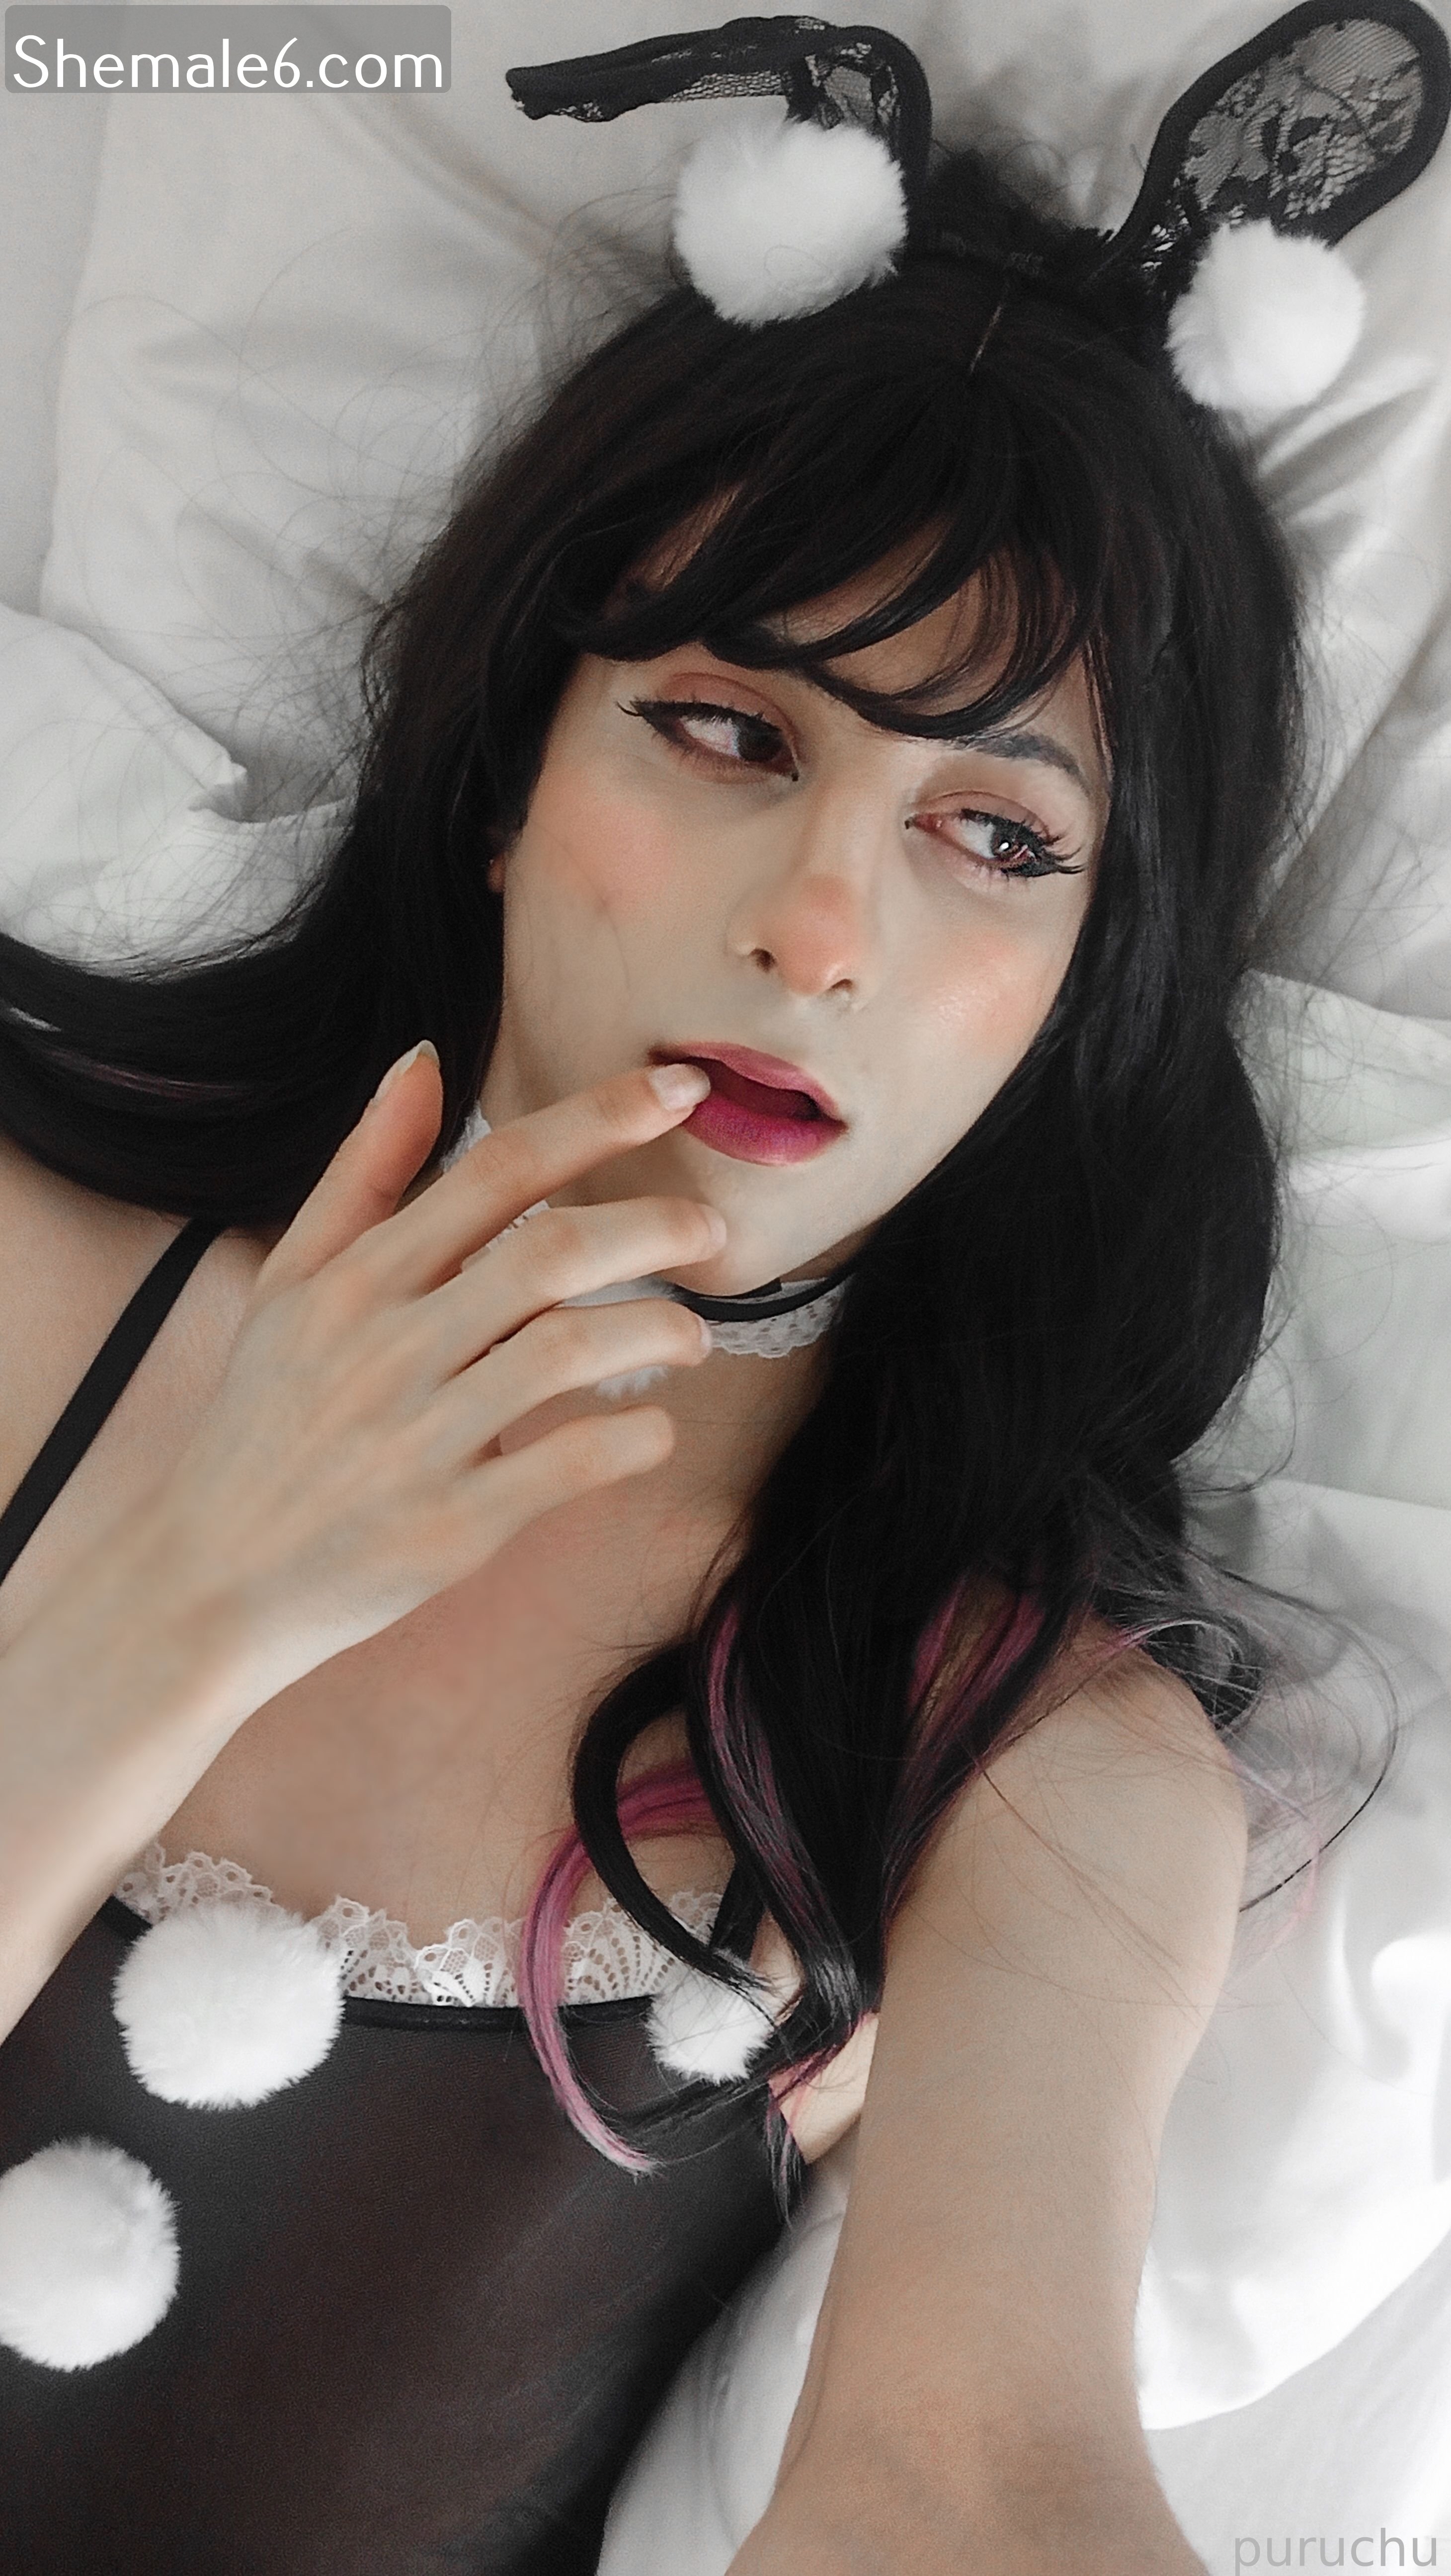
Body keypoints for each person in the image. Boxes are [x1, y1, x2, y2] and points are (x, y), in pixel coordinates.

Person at [0, 9, 1444, 2571]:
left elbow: (975, 2472)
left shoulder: (1011, 1760)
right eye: (728, 732)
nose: (820, 928)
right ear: (504, 780)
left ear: (1083, 992)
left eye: (998, 837)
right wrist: (181, 1595)